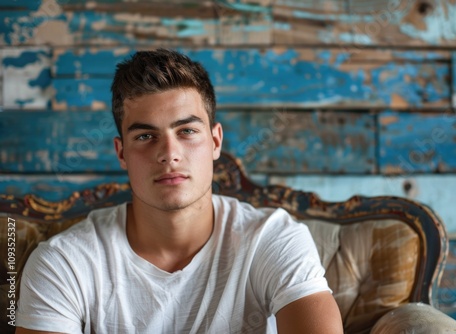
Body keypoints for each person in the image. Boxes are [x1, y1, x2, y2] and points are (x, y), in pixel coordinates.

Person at [16, 49, 343, 334]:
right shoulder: (64, 263)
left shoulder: (271, 238)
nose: (169, 153)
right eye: (145, 136)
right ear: (121, 153)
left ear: (215, 141)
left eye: (186, 131)